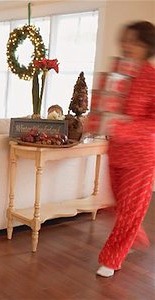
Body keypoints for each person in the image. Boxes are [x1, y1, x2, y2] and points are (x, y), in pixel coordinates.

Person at [97, 21, 155, 278]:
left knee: (130, 211)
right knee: (119, 207)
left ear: (147, 47)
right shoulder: (118, 72)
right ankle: (135, 236)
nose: (127, 46)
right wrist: (97, 118)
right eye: (125, 40)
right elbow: (104, 105)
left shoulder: (152, 79)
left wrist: (126, 127)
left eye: (135, 42)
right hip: (116, 151)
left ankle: (111, 259)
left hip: (141, 155)